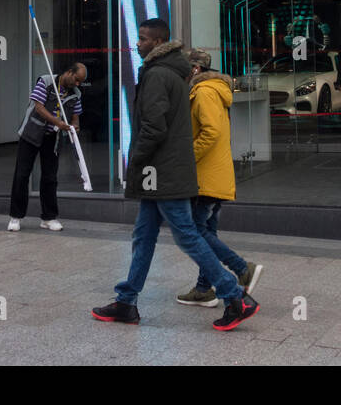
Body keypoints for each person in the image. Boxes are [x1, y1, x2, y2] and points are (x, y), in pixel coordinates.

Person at [92, 19, 258, 331]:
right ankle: (126, 302)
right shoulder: (176, 74)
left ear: (157, 42)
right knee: (145, 235)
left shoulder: (157, 75)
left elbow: (154, 128)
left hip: (162, 171)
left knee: (187, 235)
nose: (137, 44)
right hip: (166, 170)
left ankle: (235, 297)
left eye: (142, 39)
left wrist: (136, 162)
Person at [176, 49, 262, 308]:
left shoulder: (204, 92)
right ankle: (204, 289)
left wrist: (188, 158)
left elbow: (210, 132)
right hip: (214, 175)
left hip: (206, 176)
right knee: (206, 231)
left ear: (195, 70)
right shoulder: (212, 90)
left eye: (184, 69)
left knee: (195, 232)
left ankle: (242, 268)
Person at [8, 61, 86, 232]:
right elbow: (39, 107)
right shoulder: (46, 81)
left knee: (50, 177)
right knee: (22, 174)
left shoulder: (76, 94)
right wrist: (58, 121)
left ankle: (49, 218)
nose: (78, 83)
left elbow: (75, 116)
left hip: (52, 138)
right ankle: (16, 216)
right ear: (69, 71)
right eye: (77, 79)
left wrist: (74, 126)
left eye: (80, 81)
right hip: (31, 134)